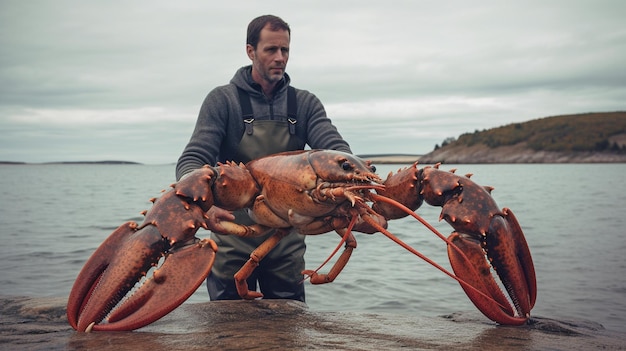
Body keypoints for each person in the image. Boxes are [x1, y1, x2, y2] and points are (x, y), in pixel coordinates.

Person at [175, 15, 352, 302]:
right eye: (271, 49)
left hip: (288, 237)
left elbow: (335, 149)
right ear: (250, 51)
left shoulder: (304, 104)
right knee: (226, 328)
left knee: (289, 330)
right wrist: (200, 206)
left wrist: (351, 176)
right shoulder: (223, 100)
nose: (280, 58)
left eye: (285, 50)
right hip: (231, 235)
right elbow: (193, 159)